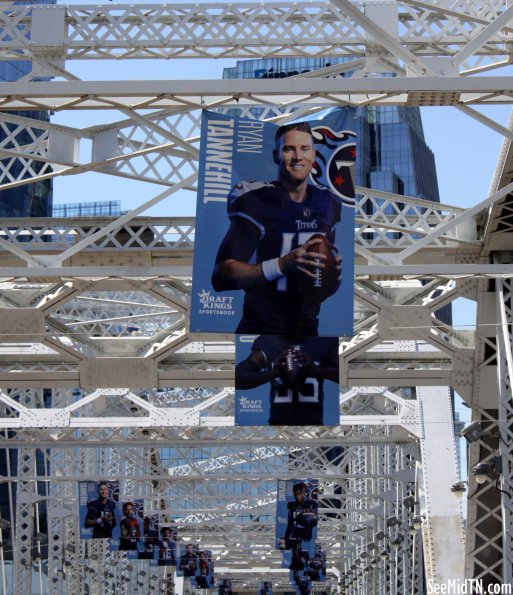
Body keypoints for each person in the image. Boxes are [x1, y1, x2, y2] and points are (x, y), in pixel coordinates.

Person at [212, 121, 343, 335]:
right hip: (259, 329)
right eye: (289, 149)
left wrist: (331, 278)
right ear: (276, 156)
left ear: (313, 155)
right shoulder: (255, 199)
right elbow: (221, 275)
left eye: (304, 148)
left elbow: (318, 287)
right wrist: (282, 264)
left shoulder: (328, 201)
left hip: (308, 330)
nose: (298, 156)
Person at [236, 335, 338, 425]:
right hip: (278, 425)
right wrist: (272, 373)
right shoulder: (269, 342)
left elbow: (346, 374)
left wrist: (316, 369)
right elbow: (238, 379)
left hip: (314, 423)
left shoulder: (325, 342)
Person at [280, 483, 318, 570]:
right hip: (295, 532)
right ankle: (298, 562)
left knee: (303, 541)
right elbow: (290, 522)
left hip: (306, 531)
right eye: (297, 494)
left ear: (305, 493)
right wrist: (286, 538)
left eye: (301, 493)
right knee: (295, 545)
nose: (299, 496)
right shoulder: (292, 505)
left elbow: (315, 519)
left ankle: (298, 561)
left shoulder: (311, 503)